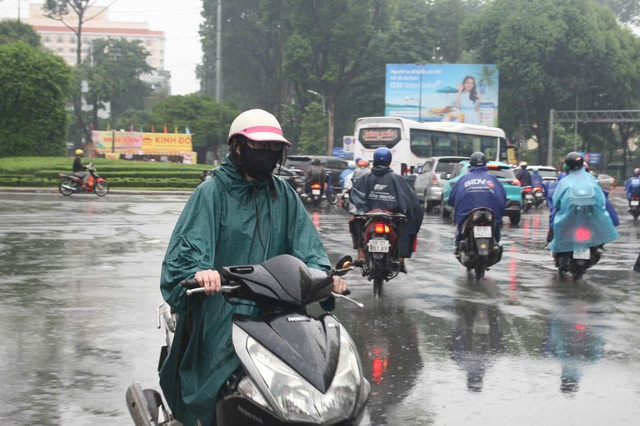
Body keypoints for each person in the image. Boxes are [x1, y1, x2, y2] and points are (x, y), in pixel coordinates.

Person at [158, 109, 348, 426]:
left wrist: (324, 277)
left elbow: (308, 246)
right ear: (238, 147)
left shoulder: (283, 194)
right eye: (259, 147)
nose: (268, 155)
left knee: (311, 377)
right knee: (217, 381)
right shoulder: (212, 192)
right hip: (224, 306)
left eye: (274, 148)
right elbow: (187, 251)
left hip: (279, 308)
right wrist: (200, 273)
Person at [349, 147, 423, 271]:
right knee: (407, 226)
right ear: (389, 161)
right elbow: (411, 201)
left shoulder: (365, 177)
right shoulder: (397, 178)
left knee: (355, 222)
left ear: (374, 161)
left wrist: (363, 209)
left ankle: (361, 255)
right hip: (392, 216)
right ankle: (400, 259)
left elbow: (355, 195)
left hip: (369, 215)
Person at [547, 152, 619, 254]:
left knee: (555, 223)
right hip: (589, 217)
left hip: (570, 218)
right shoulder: (592, 179)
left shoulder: (564, 181)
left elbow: (556, 202)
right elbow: (602, 200)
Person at [448, 152, 506, 247]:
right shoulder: (493, 179)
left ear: (471, 164)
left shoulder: (463, 179)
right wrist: (502, 212)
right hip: (490, 215)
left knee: (459, 231)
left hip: (467, 215)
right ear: (485, 164)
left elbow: (452, 198)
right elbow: (501, 198)